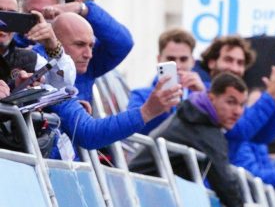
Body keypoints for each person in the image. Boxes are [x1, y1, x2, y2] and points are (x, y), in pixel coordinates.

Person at [48, 13, 179, 158]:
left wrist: (86, 8)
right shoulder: (45, 72)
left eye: (91, 45)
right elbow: (88, 133)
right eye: (79, 44)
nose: (89, 54)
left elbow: (123, 43)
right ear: (54, 43)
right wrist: (147, 111)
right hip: (48, 168)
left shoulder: (81, 67)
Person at [128, 72, 248, 207]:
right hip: (139, 200)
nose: (237, 111)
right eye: (231, 102)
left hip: (138, 194)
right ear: (211, 98)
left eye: (242, 105)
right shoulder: (204, 129)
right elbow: (227, 187)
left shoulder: (192, 113)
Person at [19, 0, 133, 103]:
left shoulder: (83, 58)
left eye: (48, 14)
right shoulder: (13, 52)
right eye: (33, 15)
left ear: (61, 12)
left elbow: (122, 43)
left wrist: (83, 8)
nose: (41, 22)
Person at [128, 28, 206, 134]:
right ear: (159, 59)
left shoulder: (207, 91)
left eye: (183, 59)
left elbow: (224, 131)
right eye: (171, 59)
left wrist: (204, 97)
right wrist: (158, 109)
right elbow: (133, 131)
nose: (177, 66)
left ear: (192, 61)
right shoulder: (140, 95)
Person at [0, 0, 74, 87]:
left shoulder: (30, 59)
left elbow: (62, 85)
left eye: (12, 15)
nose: (4, 22)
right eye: (0, 13)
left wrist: (54, 48)